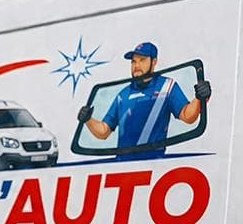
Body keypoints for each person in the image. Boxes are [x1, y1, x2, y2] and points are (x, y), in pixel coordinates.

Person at [78, 40, 211, 159]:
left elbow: (188, 116)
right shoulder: (123, 95)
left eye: (142, 60)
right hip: (121, 165)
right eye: (134, 61)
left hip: (153, 165)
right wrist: (88, 120)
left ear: (154, 62)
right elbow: (104, 131)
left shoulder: (167, 87)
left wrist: (200, 98)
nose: (136, 65)